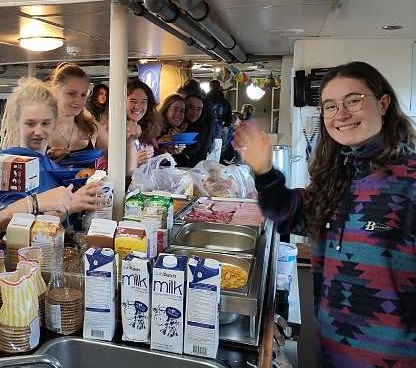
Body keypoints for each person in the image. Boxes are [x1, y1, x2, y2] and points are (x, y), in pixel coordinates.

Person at [233, 61, 416, 367]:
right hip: (332, 355)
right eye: (330, 106)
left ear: (383, 104)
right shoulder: (340, 176)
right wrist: (263, 170)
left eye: (353, 100)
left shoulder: (408, 181)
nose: (341, 114)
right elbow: (290, 215)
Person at [0, 78, 103, 223]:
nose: (38, 131)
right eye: (30, 123)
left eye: (45, 123)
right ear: (17, 121)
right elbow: (11, 225)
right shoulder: (7, 166)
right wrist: (71, 206)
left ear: (55, 122)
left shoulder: (50, 165)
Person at [48, 62, 108, 161]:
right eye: (72, 93)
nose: (79, 101)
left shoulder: (93, 128)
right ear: (56, 91)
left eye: (83, 94)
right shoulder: (40, 127)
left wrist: (129, 141)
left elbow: (119, 166)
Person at [127, 79, 163, 166]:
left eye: (143, 102)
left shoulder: (148, 127)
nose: (138, 106)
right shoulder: (110, 130)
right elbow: (101, 170)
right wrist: (133, 162)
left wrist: (168, 150)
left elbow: (156, 159)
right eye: (133, 101)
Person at [178, 94, 214, 167]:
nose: (194, 112)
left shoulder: (202, 129)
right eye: (191, 107)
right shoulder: (176, 124)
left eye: (199, 109)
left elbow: (193, 152)